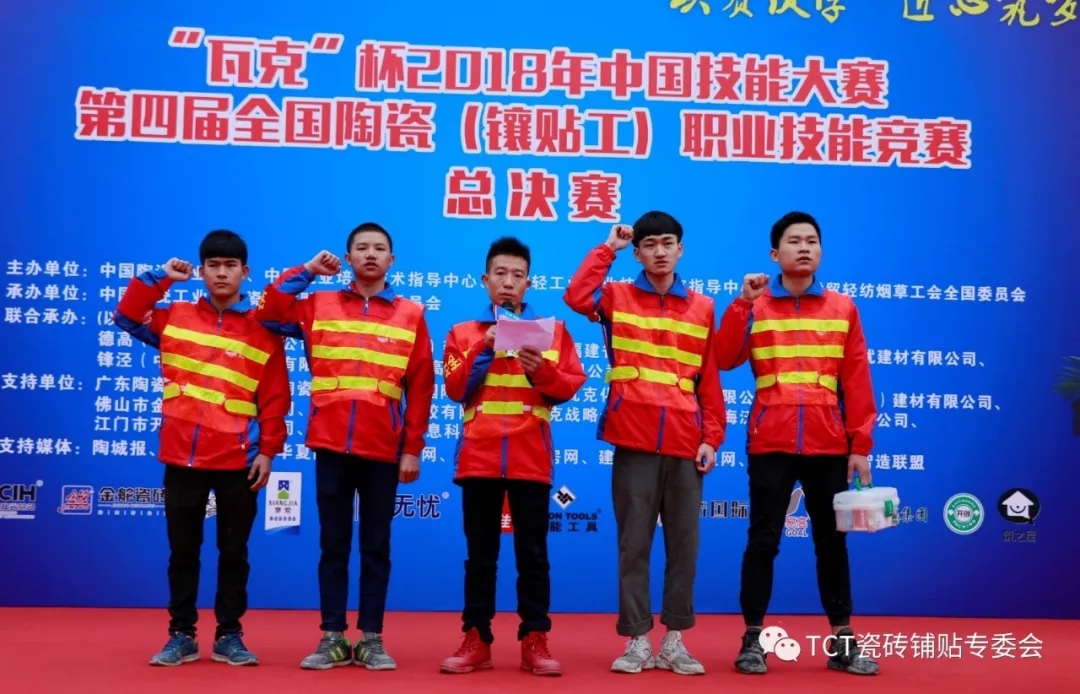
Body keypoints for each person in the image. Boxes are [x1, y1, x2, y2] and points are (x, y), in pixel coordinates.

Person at [255, 222, 435, 671]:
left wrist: (412, 447)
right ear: (348, 258)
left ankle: (372, 638)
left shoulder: (411, 314)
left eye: (379, 248)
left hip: (384, 447)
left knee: (376, 545)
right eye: (361, 248)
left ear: (392, 260)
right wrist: (308, 270)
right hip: (331, 443)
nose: (370, 254)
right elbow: (268, 310)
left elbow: (421, 387)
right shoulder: (318, 304)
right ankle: (332, 637)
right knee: (333, 544)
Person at [113, 230, 290, 667]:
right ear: (202, 271)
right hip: (182, 458)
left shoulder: (264, 330)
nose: (221, 273)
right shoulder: (174, 316)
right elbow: (126, 316)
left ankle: (230, 635)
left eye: (230, 266)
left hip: (239, 461)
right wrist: (162, 277)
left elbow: (274, 398)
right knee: (182, 551)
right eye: (213, 265)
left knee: (234, 553)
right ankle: (181, 634)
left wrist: (268, 451)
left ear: (245, 272)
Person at [714, 211, 878, 676]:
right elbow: (724, 357)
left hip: (828, 443)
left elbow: (857, 379)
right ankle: (752, 640)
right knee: (763, 540)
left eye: (811, 241)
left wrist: (860, 445)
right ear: (775, 254)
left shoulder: (843, 308)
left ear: (820, 251)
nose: (804, 247)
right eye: (794, 241)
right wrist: (742, 304)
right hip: (771, 441)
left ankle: (842, 641)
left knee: (832, 543)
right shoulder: (756, 304)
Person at [563, 214, 727, 676]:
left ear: (680, 250)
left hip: (686, 443)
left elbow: (709, 380)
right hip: (633, 439)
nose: (659, 251)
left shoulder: (702, 307)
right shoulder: (617, 296)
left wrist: (712, 438)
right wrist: (607, 248)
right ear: (637, 253)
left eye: (667, 243)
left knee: (684, 547)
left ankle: (675, 641)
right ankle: (637, 639)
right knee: (633, 545)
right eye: (649, 244)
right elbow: (576, 296)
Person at [438, 237, 587, 677]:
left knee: (533, 556)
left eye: (517, 275)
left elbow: (569, 386)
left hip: (530, 457)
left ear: (528, 283)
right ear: (485, 280)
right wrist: (484, 347)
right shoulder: (463, 333)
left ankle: (534, 639)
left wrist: (541, 369)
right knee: (479, 556)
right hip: (479, 457)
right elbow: (455, 389)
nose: (508, 282)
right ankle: (476, 638)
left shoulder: (552, 332)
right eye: (500, 274)